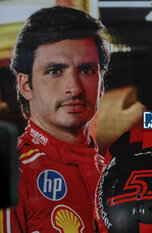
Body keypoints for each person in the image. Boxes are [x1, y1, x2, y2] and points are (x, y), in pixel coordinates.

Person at [0, 6, 111, 232]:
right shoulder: (12, 175)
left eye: (87, 70)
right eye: (54, 71)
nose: (74, 88)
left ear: (101, 85)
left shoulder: (115, 174)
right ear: (25, 85)